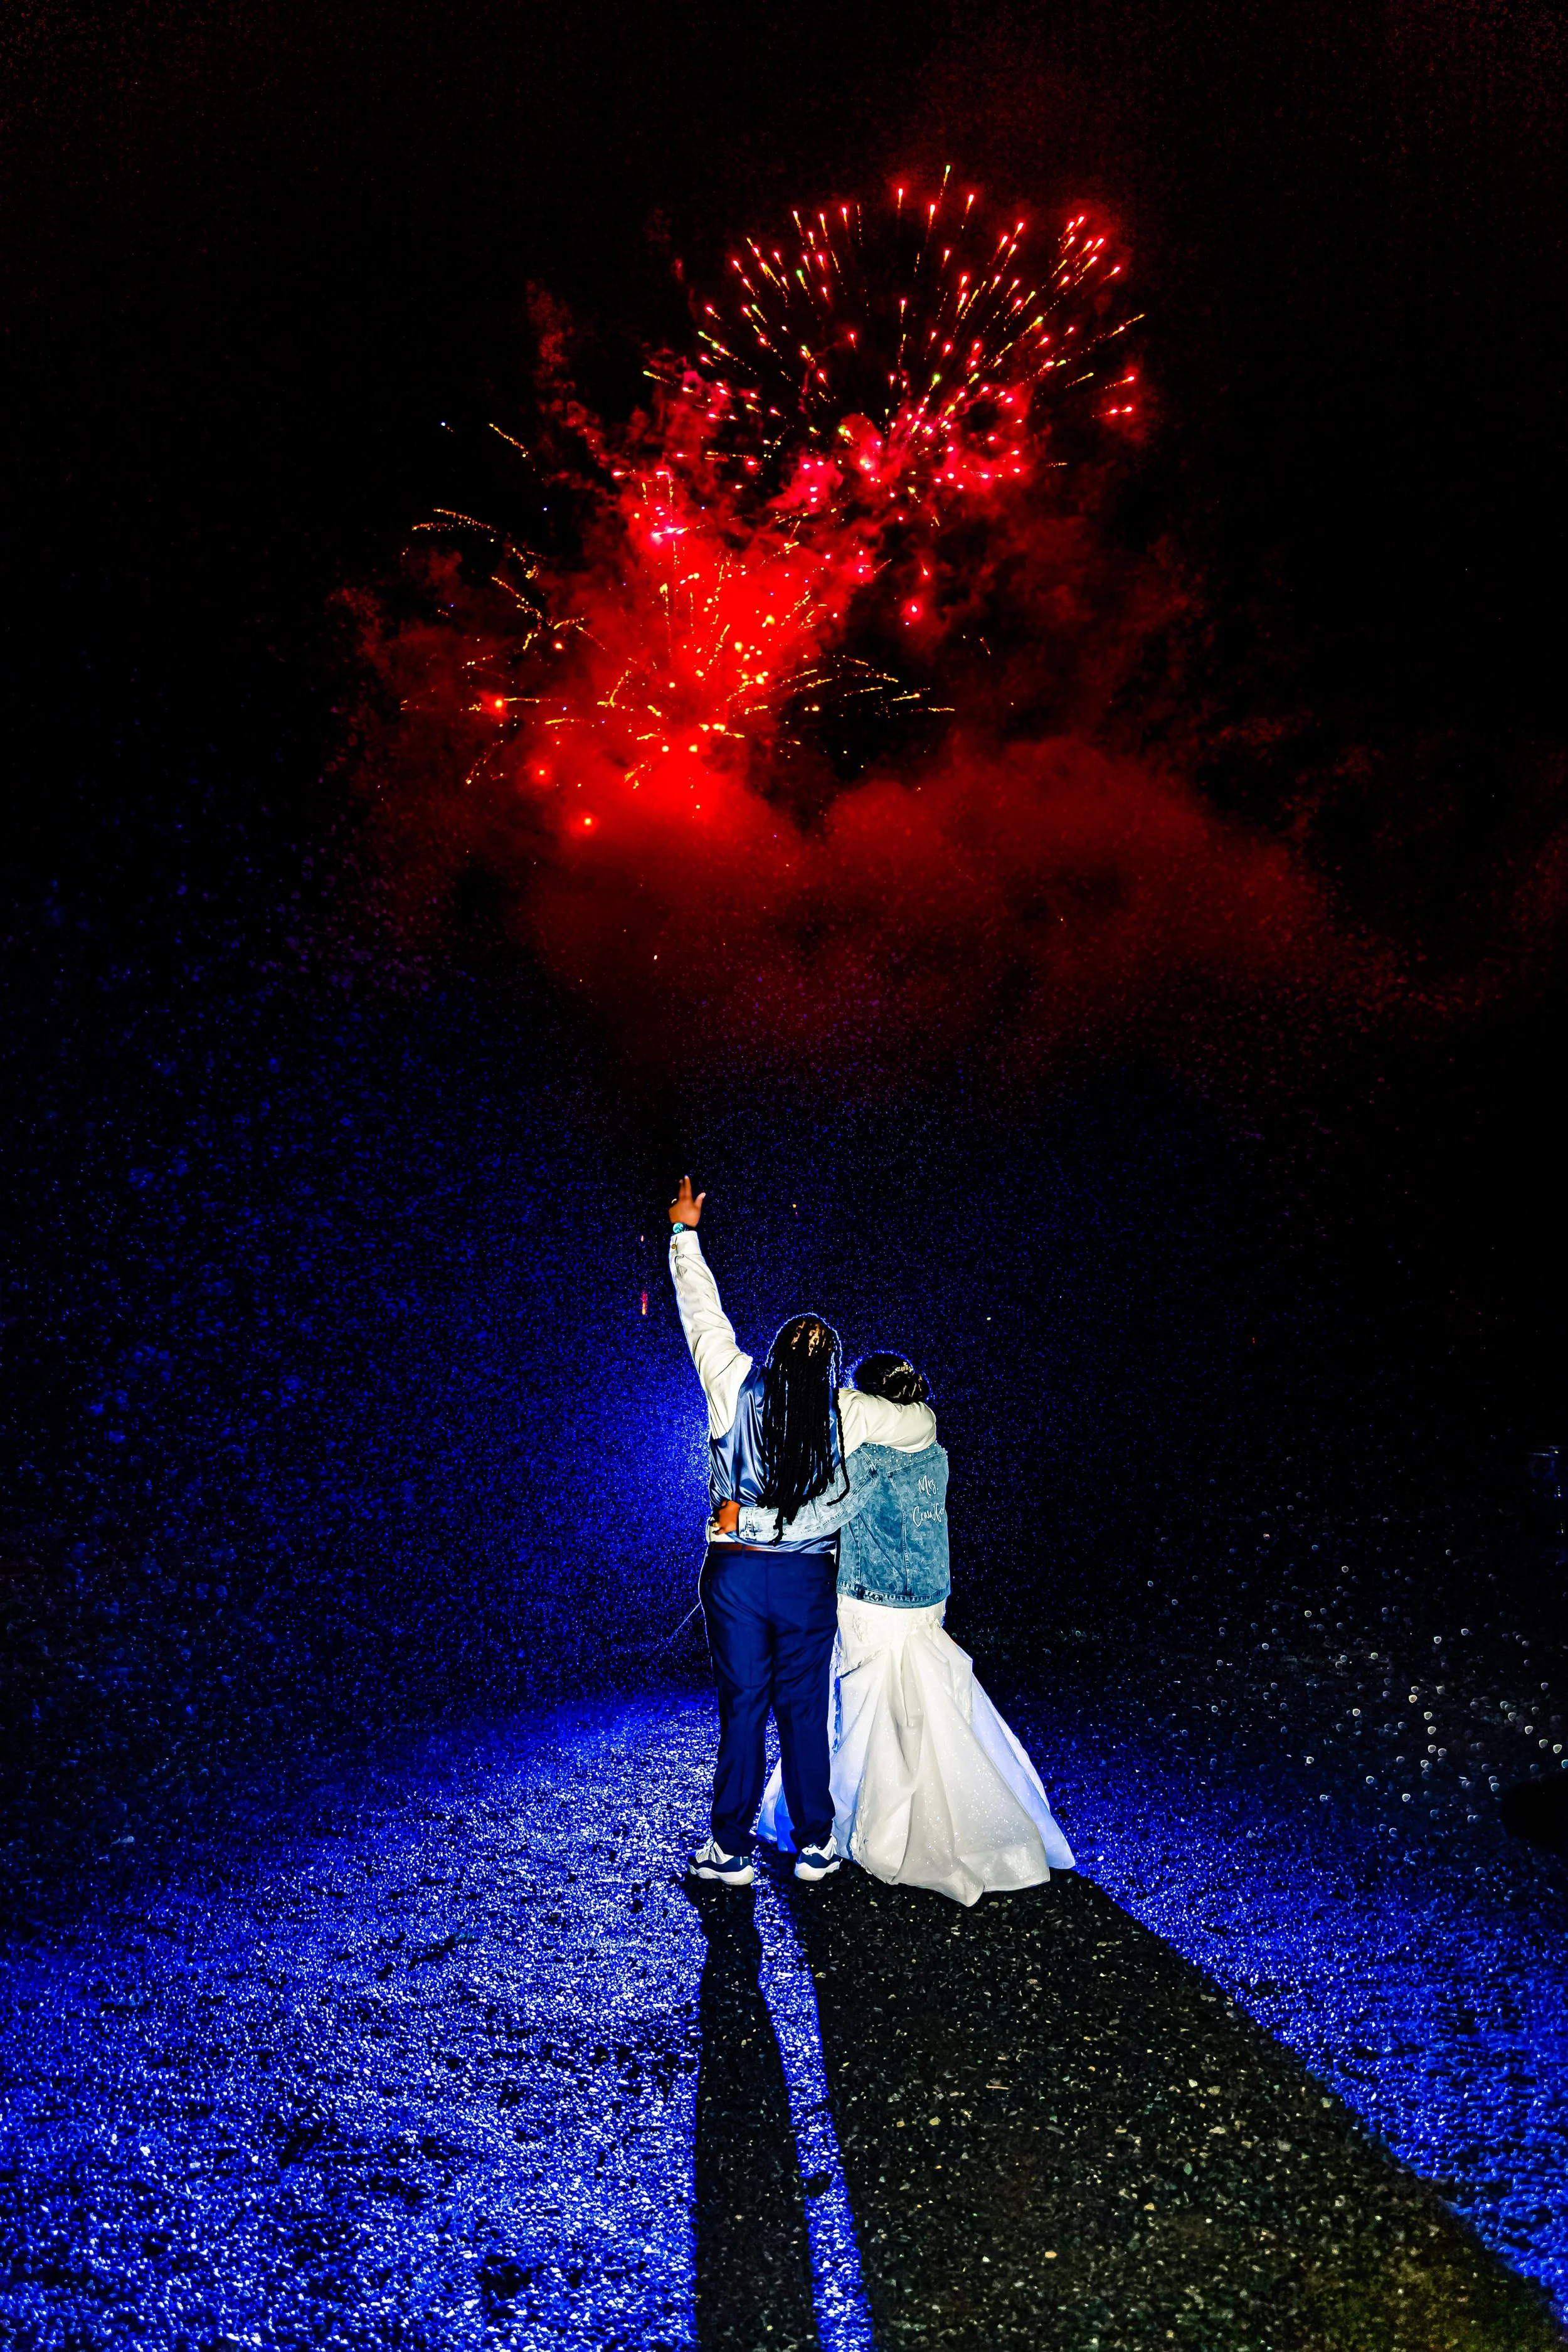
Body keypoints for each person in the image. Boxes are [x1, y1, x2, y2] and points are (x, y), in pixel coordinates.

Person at [667, 1177, 936, 1889]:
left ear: (776, 1351)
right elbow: (921, 1425)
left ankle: (729, 1851)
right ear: (830, 1364)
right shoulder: (847, 1410)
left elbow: (702, 1315)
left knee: (743, 1708)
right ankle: (816, 1843)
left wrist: (684, 1234)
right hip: (807, 1577)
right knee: (805, 1709)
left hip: (735, 1572)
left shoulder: (732, 1383)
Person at [733, 1351, 1076, 1907]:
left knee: (869, 1718)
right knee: (925, 1713)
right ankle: (966, 1822)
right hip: (927, 1601)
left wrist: (745, 1521)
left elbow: (820, 1517)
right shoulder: (931, 1447)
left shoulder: (872, 1457)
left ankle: (880, 1832)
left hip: (877, 1602)